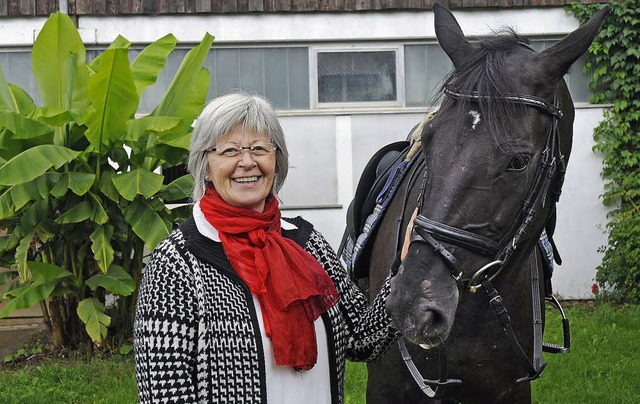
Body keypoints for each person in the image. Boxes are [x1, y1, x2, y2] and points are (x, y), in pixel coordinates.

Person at [133, 92, 400, 403]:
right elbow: (164, 395)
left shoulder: (307, 243)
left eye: (259, 148)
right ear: (205, 167)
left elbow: (363, 338)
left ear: (277, 160)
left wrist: (407, 266)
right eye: (230, 150)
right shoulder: (177, 262)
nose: (247, 162)